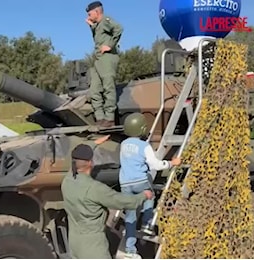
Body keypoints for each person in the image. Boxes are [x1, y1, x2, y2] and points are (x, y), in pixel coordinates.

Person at [61, 136, 153, 259]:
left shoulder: (67, 180)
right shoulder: (95, 188)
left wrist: (93, 143)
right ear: (90, 163)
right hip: (93, 245)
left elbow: (77, 158)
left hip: (74, 241)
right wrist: (143, 195)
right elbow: (122, 201)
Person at [117, 112, 181, 259]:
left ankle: (130, 249)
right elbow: (155, 165)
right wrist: (171, 163)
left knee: (130, 216)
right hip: (140, 182)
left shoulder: (123, 144)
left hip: (125, 184)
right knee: (149, 197)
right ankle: (147, 224)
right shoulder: (144, 146)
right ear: (142, 128)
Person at [85, 1, 123, 127]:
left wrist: (109, 45)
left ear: (97, 12)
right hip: (98, 60)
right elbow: (98, 38)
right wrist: (92, 27)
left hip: (107, 58)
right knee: (94, 90)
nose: (88, 17)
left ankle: (109, 118)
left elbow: (119, 28)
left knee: (108, 87)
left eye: (90, 14)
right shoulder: (98, 26)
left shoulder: (106, 21)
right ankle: (100, 118)